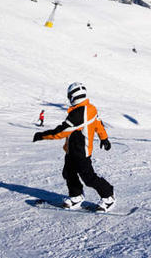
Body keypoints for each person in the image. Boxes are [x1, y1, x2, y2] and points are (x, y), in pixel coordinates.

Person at [33, 82, 115, 211]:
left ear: (73, 97)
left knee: (88, 178)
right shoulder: (89, 108)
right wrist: (104, 138)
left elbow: (61, 132)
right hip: (71, 150)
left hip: (81, 151)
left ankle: (108, 196)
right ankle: (76, 196)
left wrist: (41, 135)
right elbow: (98, 123)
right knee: (68, 173)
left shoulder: (79, 113)